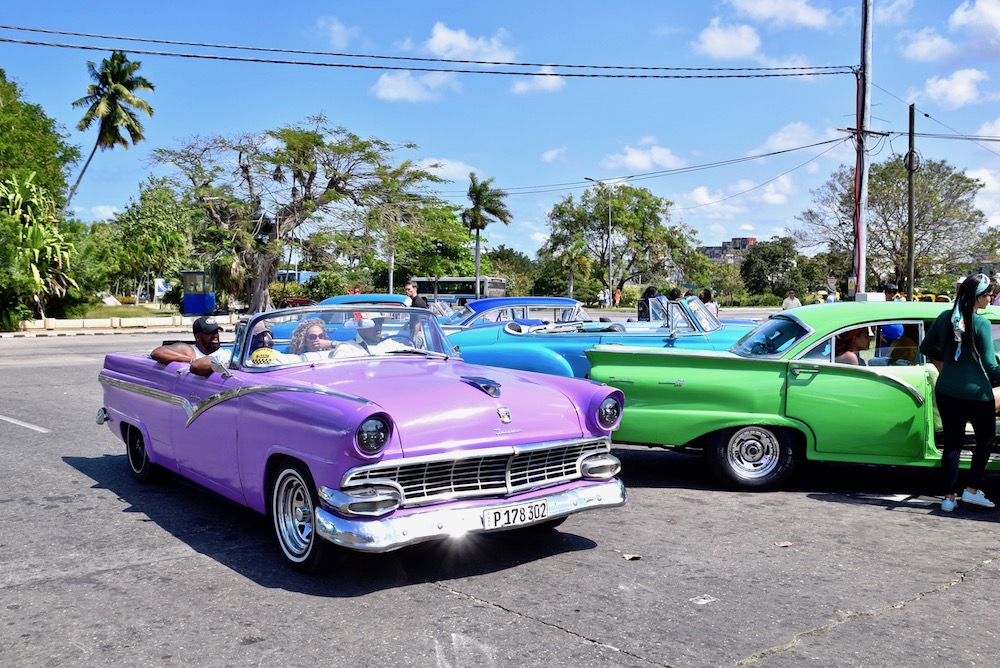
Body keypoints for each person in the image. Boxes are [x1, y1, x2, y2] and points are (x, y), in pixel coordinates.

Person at [919, 273, 1000, 512]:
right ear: (976, 297)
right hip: (977, 394)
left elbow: (926, 347)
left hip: (946, 390)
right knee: (985, 440)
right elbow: (990, 364)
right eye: (988, 294)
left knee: (953, 444)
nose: (990, 298)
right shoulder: (982, 323)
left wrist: (946, 364)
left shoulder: (945, 317)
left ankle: (948, 498)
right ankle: (972, 490)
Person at [150, 315, 232, 377]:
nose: (215, 336)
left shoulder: (227, 354)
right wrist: (188, 359)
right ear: (198, 336)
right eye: (209, 332)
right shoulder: (189, 351)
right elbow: (157, 353)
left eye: (216, 332)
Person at [334, 316, 411, 358]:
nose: (378, 326)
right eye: (373, 322)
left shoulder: (390, 344)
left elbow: (413, 353)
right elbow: (339, 371)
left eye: (380, 322)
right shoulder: (347, 347)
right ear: (360, 327)